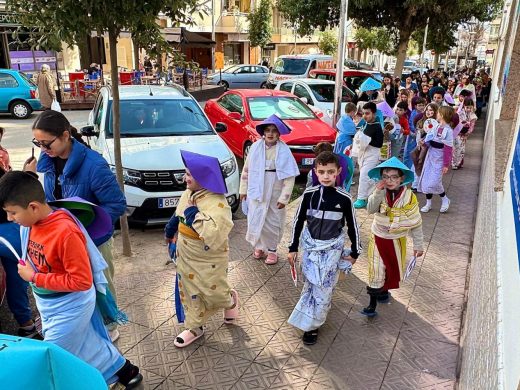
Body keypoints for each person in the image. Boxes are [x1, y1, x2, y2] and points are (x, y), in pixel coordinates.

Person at [0, 171, 142, 388]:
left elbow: (81, 281)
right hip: (49, 304)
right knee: (86, 344)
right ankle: (125, 370)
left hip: (71, 305)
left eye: (12, 213)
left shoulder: (65, 232)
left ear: (33, 207)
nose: (10, 219)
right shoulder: (29, 224)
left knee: (52, 355)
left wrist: (35, 277)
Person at [24, 110, 126, 341]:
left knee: (101, 284)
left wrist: (86, 226)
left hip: (93, 239)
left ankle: (110, 328)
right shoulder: (48, 161)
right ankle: (86, 325)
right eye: (37, 143)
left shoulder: (94, 165)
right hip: (62, 238)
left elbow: (116, 204)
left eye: (46, 143)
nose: (42, 149)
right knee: (77, 285)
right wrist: (29, 178)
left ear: (65, 135)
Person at [164, 150, 238, 347]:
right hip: (186, 253)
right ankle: (194, 327)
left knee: (214, 291)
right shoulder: (188, 193)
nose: (184, 178)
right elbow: (177, 215)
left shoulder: (218, 202)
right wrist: (170, 230)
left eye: (189, 174)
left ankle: (230, 300)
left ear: (203, 177)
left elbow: (215, 233)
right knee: (191, 291)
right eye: (185, 173)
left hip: (209, 257)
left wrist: (192, 212)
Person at [287, 151, 361, 344]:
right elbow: (298, 222)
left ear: (338, 172)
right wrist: (292, 247)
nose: (326, 176)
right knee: (310, 285)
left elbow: (353, 226)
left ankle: (313, 326)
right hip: (311, 249)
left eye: (330, 171)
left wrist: (355, 252)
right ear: (316, 172)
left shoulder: (344, 199)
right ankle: (310, 318)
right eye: (322, 172)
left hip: (331, 251)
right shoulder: (309, 195)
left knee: (324, 288)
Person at [361, 157, 424, 316]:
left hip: (397, 240)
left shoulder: (409, 197)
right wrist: (377, 192)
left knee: (391, 268)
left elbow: (415, 222)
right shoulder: (379, 191)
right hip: (378, 237)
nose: (389, 181)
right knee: (376, 270)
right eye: (385, 176)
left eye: (394, 177)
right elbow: (370, 209)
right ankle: (372, 304)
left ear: (402, 178)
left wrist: (418, 245)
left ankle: (384, 291)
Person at [240, 115, 299, 265]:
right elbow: (246, 170)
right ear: (263, 132)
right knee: (256, 217)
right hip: (256, 189)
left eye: (274, 131)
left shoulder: (284, 151)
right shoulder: (254, 148)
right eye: (268, 130)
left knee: (273, 221)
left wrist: (284, 198)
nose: (271, 134)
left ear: (279, 133)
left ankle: (272, 250)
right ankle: (259, 246)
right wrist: (243, 190)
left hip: (275, 190)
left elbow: (289, 177)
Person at [0, 143, 38, 338]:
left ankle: (27, 325)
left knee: (18, 274)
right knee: (31, 266)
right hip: (6, 233)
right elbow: (12, 196)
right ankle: (29, 323)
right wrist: (29, 176)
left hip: (7, 232)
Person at [417, 106, 455, 213]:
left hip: (440, 159)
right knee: (426, 180)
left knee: (434, 182)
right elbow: (429, 139)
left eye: (438, 113)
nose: (436, 115)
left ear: (442, 115)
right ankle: (428, 203)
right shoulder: (435, 126)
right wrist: (423, 142)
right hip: (430, 156)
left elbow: (448, 149)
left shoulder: (448, 131)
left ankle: (445, 199)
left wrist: (446, 164)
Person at [353, 102, 384, 209]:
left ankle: (361, 198)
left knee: (364, 176)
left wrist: (367, 141)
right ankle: (371, 196)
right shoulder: (366, 124)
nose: (365, 116)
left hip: (373, 155)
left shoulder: (377, 126)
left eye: (367, 113)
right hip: (364, 154)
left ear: (374, 113)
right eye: (363, 114)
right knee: (369, 177)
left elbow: (379, 143)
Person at [452, 98, 477, 170]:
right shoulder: (459, 113)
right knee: (455, 148)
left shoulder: (473, 115)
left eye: (470, 107)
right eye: (467, 107)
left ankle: (459, 163)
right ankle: (454, 163)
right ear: (463, 106)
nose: (469, 109)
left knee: (462, 149)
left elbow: (472, 126)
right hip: (456, 133)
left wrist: (467, 134)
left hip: (464, 134)